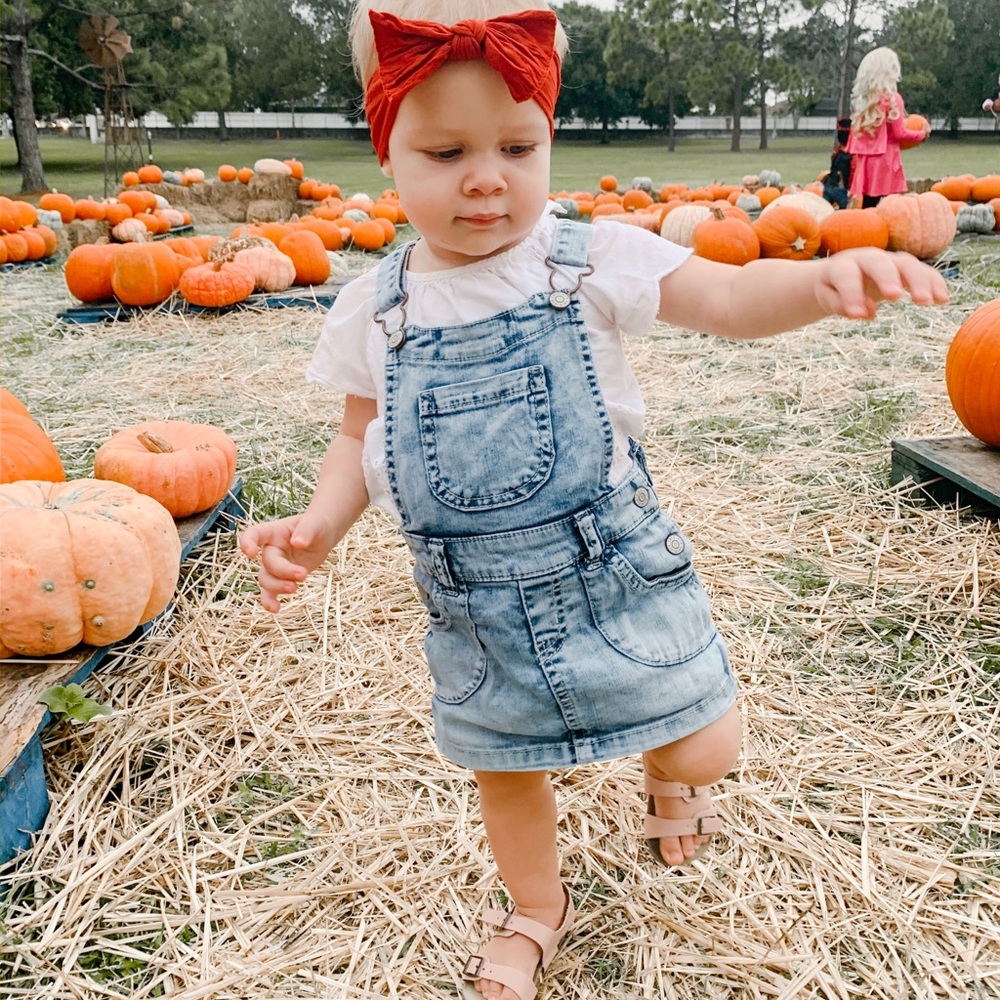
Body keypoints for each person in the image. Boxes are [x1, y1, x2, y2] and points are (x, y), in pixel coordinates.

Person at [240, 4, 949, 998]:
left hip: (613, 573)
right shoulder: (375, 304)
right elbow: (361, 437)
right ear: (385, 154)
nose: (486, 176)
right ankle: (536, 907)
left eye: (516, 146)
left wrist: (823, 277)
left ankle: (669, 773)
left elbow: (731, 301)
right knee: (506, 772)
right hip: (475, 609)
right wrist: (316, 527)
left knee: (706, 736)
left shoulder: (590, 260)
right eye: (445, 151)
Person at [846, 47, 929, 208]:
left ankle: (869, 230)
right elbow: (900, 133)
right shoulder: (892, 99)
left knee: (869, 203)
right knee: (891, 206)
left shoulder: (863, 102)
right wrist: (921, 134)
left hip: (866, 160)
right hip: (886, 158)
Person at [822, 117, 853, 209]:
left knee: (825, 209)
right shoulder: (852, 155)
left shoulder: (836, 151)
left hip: (828, 185)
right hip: (842, 188)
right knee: (846, 211)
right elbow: (853, 173)